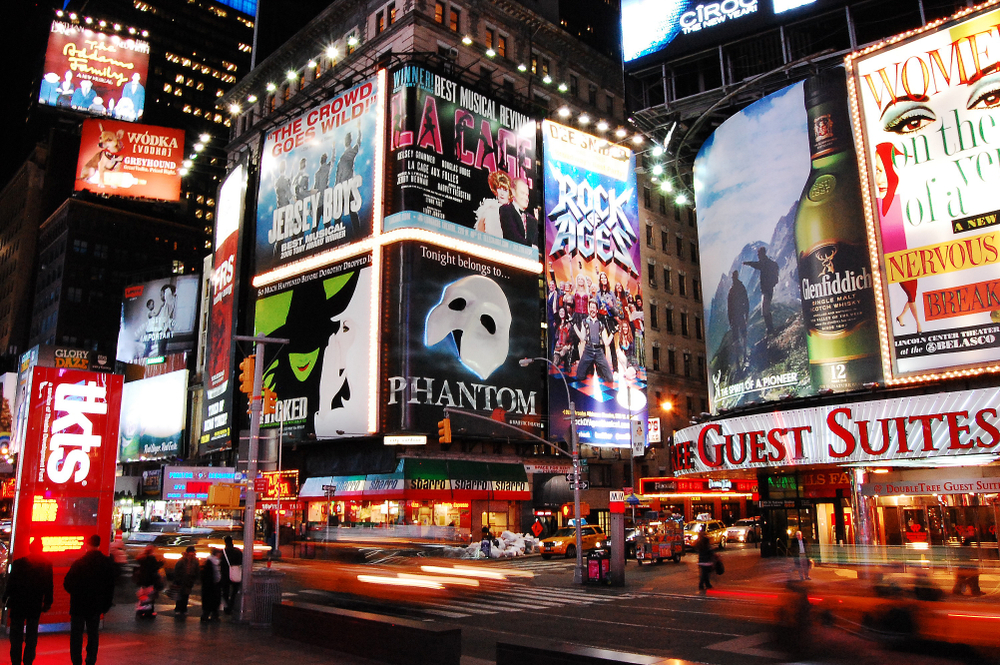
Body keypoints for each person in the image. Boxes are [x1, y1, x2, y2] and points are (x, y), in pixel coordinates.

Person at [64, 535, 116, 665]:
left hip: (78, 605)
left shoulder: (79, 562)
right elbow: (110, 586)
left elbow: (67, 583)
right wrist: (106, 604)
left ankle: (76, 660)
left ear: (87, 544)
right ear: (99, 545)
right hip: (96, 605)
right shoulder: (106, 563)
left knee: (76, 635)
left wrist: (77, 593)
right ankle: (91, 659)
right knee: (93, 634)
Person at [3, 539, 53, 665]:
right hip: (34, 604)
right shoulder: (46, 565)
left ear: (30, 549)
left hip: (18, 603)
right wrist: (47, 602)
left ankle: (15, 659)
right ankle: (28, 660)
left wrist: (5, 598)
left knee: (16, 635)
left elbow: (11, 584)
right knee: (31, 634)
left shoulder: (19, 563)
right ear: (41, 549)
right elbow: (49, 586)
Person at [574, 299, 614, 383]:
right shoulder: (584, 322)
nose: (592, 309)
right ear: (588, 309)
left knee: (610, 378)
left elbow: (606, 343)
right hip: (588, 350)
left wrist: (613, 333)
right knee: (579, 376)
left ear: (597, 310)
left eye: (594, 308)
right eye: (590, 307)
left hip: (598, 351)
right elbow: (582, 337)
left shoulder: (600, 324)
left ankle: (600, 371)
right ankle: (589, 369)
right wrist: (574, 326)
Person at [743, 246, 779, 335]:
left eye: (759, 254)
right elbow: (757, 264)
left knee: (765, 310)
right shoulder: (767, 263)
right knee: (765, 310)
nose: (758, 256)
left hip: (767, 290)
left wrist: (747, 263)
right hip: (767, 290)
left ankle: (770, 329)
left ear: (762, 254)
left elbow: (756, 265)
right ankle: (770, 329)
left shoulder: (765, 263)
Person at [499, 178, 538, 246]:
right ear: (513, 192)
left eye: (527, 195)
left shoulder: (533, 220)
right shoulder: (506, 210)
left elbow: (536, 243)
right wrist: (530, 247)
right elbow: (513, 236)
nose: (526, 198)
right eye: (522, 193)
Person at [474, 170, 512, 237]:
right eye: (500, 189)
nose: (502, 193)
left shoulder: (514, 214)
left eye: (505, 190)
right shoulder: (488, 210)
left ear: (509, 194)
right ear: (496, 190)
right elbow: (478, 234)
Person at [133, 545, 164, 618]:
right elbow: (154, 568)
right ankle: (149, 612)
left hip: (143, 580)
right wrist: (160, 563)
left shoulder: (142, 558)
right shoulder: (151, 558)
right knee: (150, 596)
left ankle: (140, 611)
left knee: (143, 596)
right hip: (150, 580)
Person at [727, 271, 749, 363]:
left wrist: (746, 313)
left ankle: (743, 357)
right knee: (738, 338)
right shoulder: (736, 288)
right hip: (737, 317)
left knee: (741, 337)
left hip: (738, 316)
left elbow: (745, 301)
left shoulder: (735, 288)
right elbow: (730, 306)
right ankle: (740, 359)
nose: (733, 279)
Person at [953, 532, 984, 596]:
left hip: (963, 564)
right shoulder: (965, 548)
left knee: (962, 578)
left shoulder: (963, 547)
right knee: (972, 575)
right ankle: (975, 590)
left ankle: (958, 589)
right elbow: (967, 555)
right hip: (965, 564)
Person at [172, 546, 200, 616]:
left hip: (188, 581)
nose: (192, 554)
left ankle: (183, 609)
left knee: (186, 595)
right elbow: (177, 571)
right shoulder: (182, 560)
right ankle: (178, 609)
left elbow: (197, 570)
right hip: (181, 580)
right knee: (180, 595)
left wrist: (195, 579)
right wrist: (177, 580)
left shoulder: (194, 561)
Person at [220, 535, 243, 614]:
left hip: (225, 575)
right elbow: (241, 562)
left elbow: (221, 564)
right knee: (235, 591)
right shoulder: (238, 551)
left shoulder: (223, 552)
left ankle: (227, 607)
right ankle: (232, 604)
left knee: (225, 591)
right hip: (236, 573)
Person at [200, 548, 222, 622]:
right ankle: (209, 616)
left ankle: (209, 615)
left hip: (212, 585)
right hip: (211, 585)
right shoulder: (212, 562)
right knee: (212, 600)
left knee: (211, 601)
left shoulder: (212, 562)